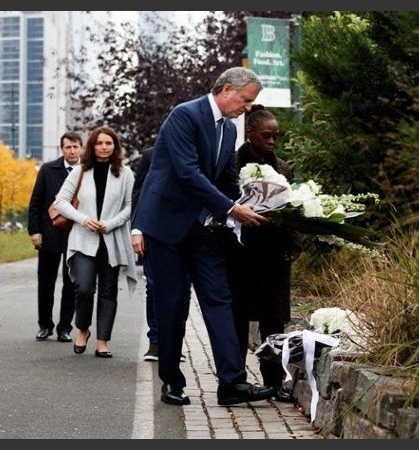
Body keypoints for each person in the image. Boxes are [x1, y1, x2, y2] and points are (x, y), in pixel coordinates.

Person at [131, 66, 276, 406]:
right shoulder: (184, 115)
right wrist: (230, 208)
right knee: (172, 304)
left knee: (219, 298)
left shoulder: (228, 130)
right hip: (165, 226)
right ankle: (172, 383)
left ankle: (232, 384)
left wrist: (255, 202)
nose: (247, 108)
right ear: (226, 90)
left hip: (203, 228)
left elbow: (226, 178)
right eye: (245, 100)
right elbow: (187, 173)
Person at [223, 105, 302, 403]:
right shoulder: (231, 165)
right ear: (250, 133)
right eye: (266, 136)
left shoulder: (283, 168)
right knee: (237, 318)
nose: (271, 142)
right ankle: (235, 381)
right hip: (241, 253)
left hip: (273, 255)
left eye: (275, 137)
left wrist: (294, 241)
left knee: (274, 320)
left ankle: (274, 382)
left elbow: (292, 209)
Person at [54, 126, 137, 358]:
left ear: (115, 146)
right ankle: (82, 329)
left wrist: (110, 223)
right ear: (92, 146)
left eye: (108, 143)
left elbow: (131, 206)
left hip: (112, 240)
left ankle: (102, 341)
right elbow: (61, 201)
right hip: (83, 240)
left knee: (109, 291)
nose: (103, 147)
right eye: (99, 143)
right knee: (84, 287)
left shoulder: (126, 173)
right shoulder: (80, 171)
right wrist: (83, 219)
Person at [131, 147, 189, 362]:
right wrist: (137, 229)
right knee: (154, 286)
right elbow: (138, 193)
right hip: (154, 231)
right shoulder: (150, 155)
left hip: (188, 233)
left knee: (183, 289)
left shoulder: (200, 151)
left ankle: (175, 343)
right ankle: (155, 341)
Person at [27, 132, 82, 342]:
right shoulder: (48, 169)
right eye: (68, 147)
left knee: (72, 282)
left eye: (75, 147)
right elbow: (35, 203)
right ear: (62, 149)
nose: (72, 151)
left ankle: (65, 327)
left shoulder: (86, 172)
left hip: (76, 233)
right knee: (46, 282)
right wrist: (34, 231)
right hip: (49, 233)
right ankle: (45, 325)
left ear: (81, 148)